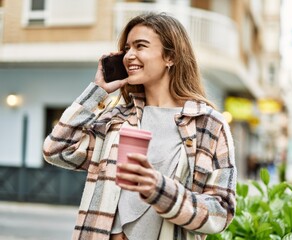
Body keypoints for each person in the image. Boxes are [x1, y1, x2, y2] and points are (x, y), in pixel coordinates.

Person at [43, 12, 236, 240]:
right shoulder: (117, 119)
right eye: (127, 48)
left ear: (170, 57)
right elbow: (56, 150)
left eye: (140, 46)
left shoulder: (208, 125)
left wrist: (160, 190)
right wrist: (97, 92)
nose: (129, 56)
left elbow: (221, 211)